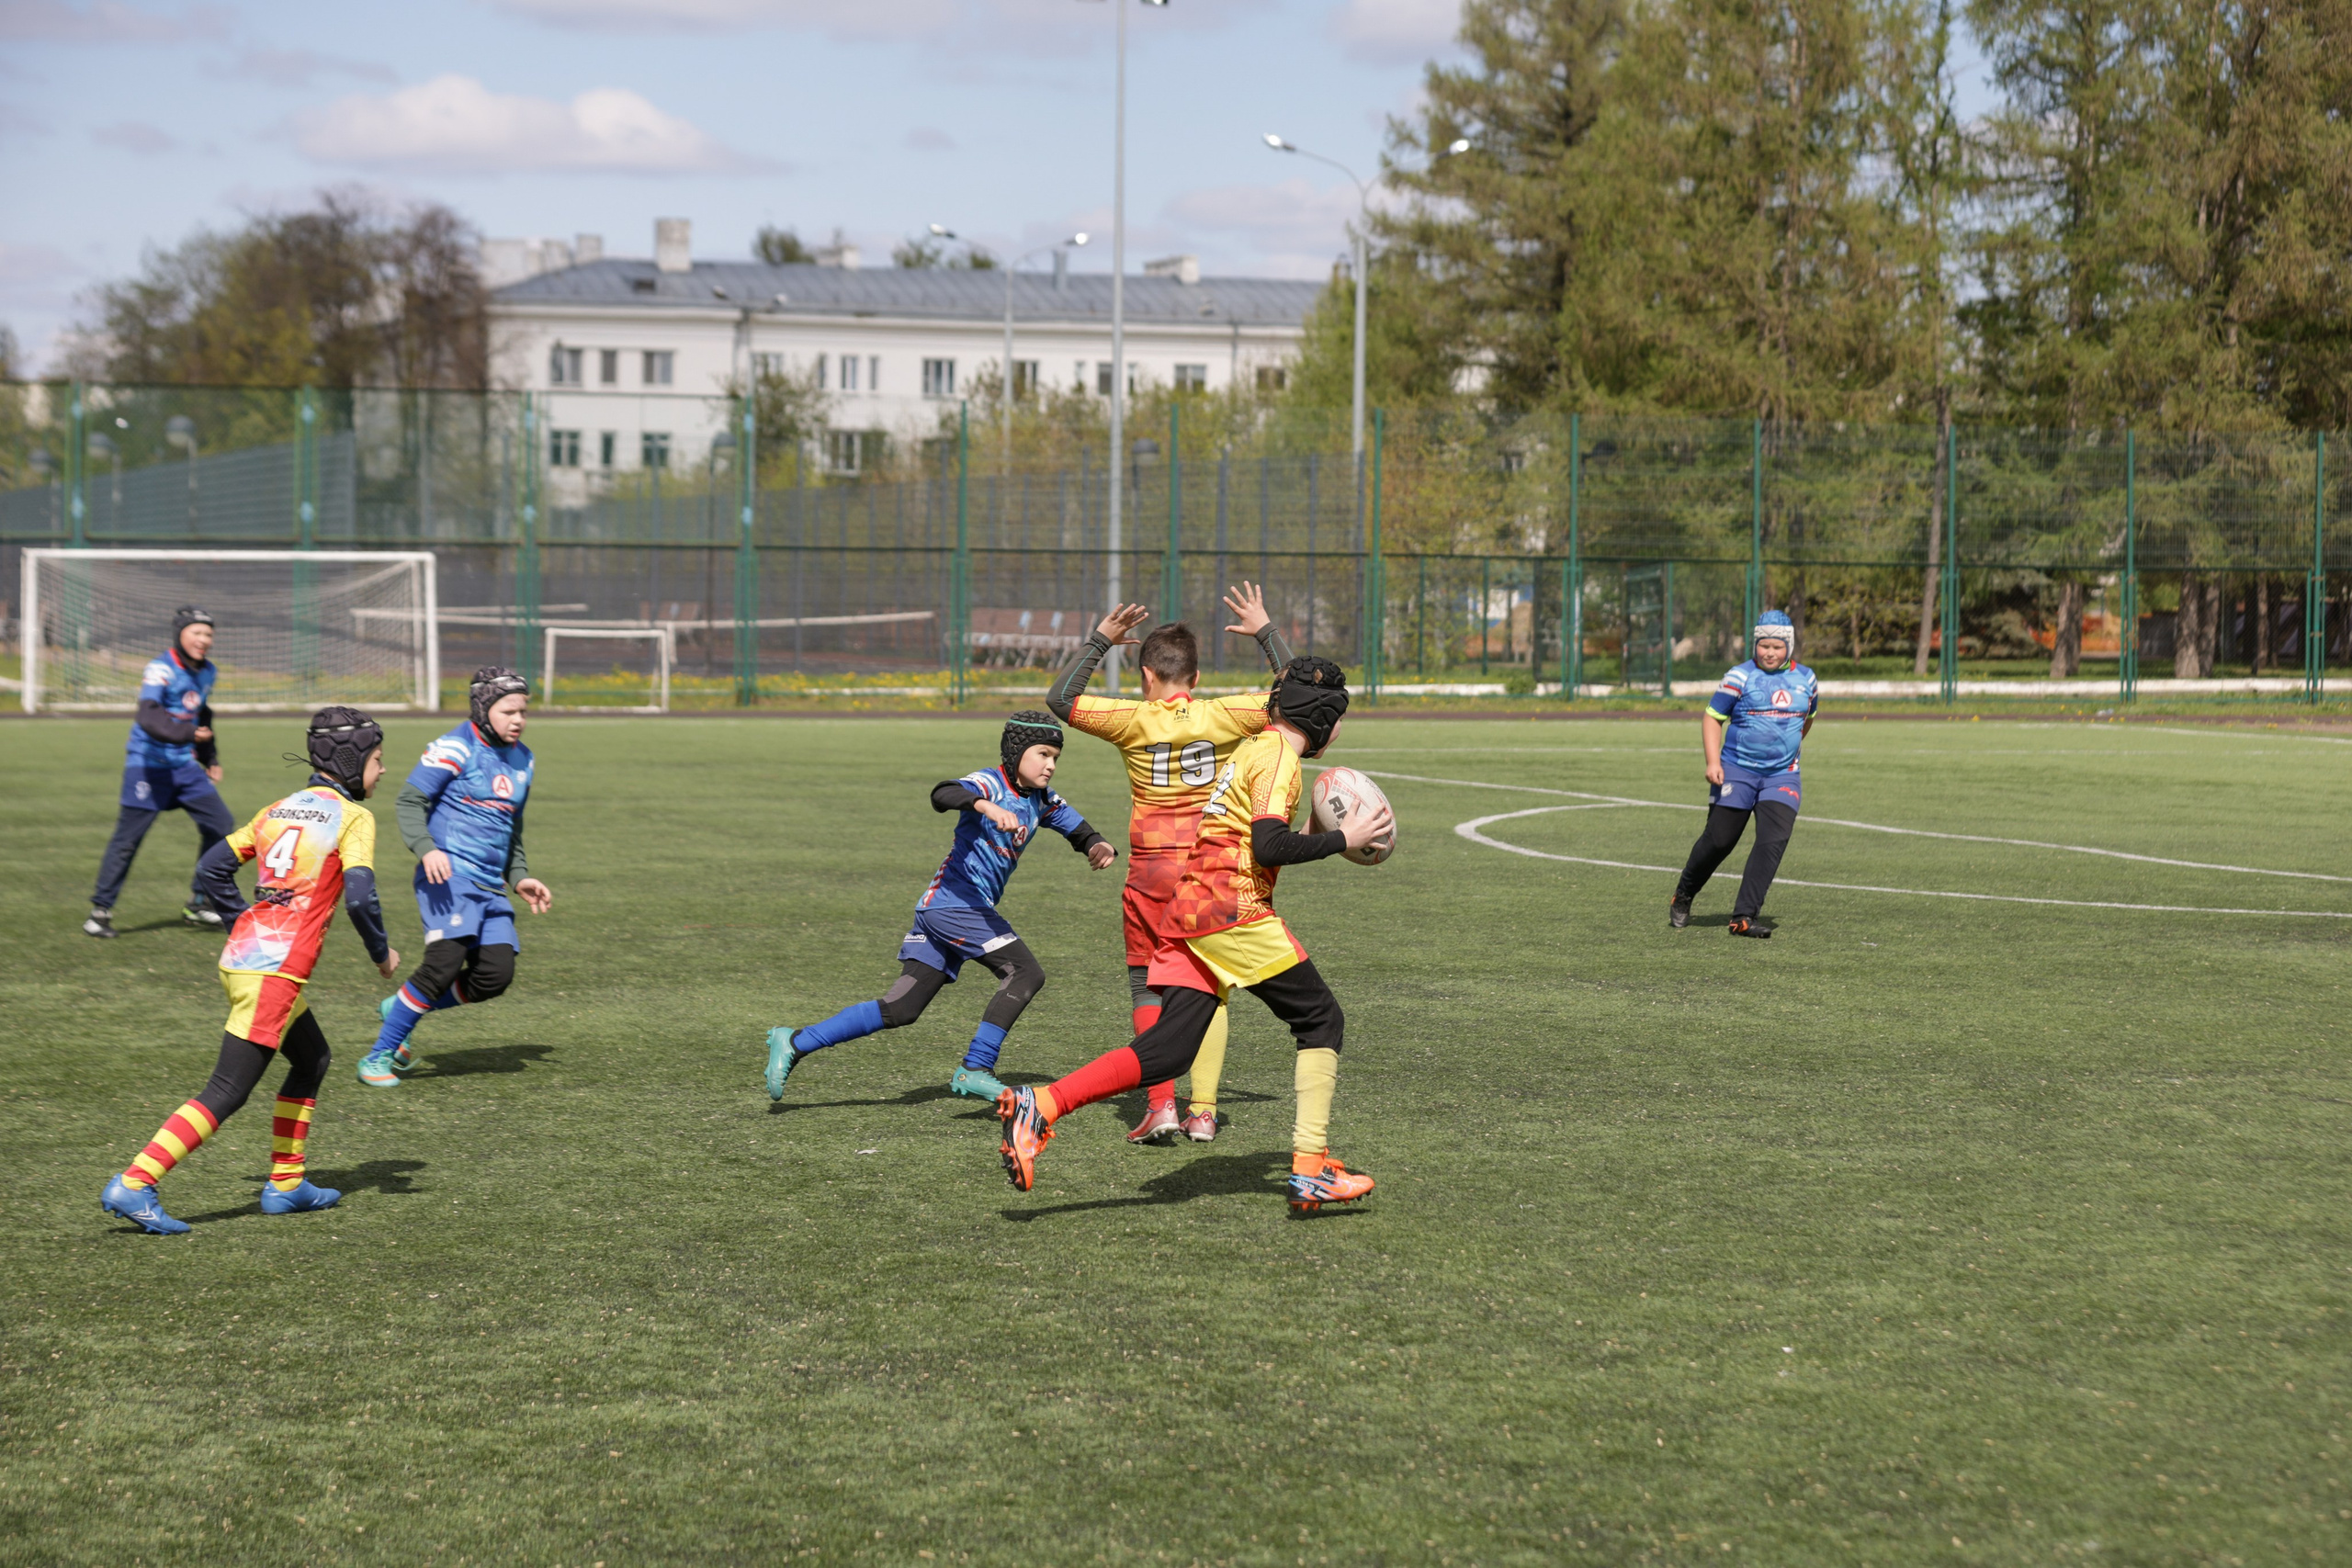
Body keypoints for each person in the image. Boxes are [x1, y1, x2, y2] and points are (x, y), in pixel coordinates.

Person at [996, 657, 1393, 1213]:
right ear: (1323, 718)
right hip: (1233, 910)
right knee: (1321, 1020)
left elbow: (1253, 838)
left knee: (1168, 1051)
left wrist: (1316, 831)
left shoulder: (1255, 747)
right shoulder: (1279, 758)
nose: (1341, 729)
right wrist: (1342, 839)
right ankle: (1311, 1169)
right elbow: (1268, 846)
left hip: (1190, 909)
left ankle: (1042, 1104)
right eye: (1341, 719)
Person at [99, 707, 401, 1235]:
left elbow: (212, 867)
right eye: (378, 759)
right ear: (352, 762)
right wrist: (382, 953)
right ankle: (135, 1181)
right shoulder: (353, 818)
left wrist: (244, 922)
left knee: (312, 1057)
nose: (382, 770)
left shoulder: (277, 810)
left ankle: (287, 1184)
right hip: (274, 973)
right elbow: (360, 896)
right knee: (227, 1089)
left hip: (247, 961)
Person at [1046, 584, 1294, 1145]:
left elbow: (1061, 699)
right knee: (1211, 985)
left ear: (1145, 676)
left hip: (1151, 875)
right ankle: (1202, 1112)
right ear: (1196, 677)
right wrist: (1265, 631)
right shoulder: (1225, 714)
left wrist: (1100, 639)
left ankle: (1160, 1106)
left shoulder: (1131, 720)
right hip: (1213, 871)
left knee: (1147, 986)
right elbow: (1298, 694)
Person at [763, 712, 1118, 1103]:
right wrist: (984, 806)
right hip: (955, 906)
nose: (1050, 765)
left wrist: (1097, 844)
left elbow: (1078, 828)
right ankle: (976, 1068)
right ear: (1016, 752)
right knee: (1025, 972)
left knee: (902, 1008)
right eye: (1043, 754)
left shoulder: (1043, 799)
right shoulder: (990, 783)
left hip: (944, 911)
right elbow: (943, 793)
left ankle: (795, 1041)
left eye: (1056, 758)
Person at [356, 668, 552, 1087]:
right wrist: (427, 849)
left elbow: (511, 826)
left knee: (494, 976)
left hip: (490, 884)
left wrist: (519, 876)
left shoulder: (525, 759)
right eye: (508, 711)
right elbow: (410, 801)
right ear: (483, 709)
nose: (518, 719)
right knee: (442, 966)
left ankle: (400, 1007)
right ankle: (378, 1056)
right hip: (449, 876)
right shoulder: (454, 746)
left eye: (523, 711)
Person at [85, 605, 234, 938]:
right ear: (180, 634)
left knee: (221, 825)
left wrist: (209, 757)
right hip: (147, 767)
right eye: (196, 632)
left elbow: (202, 713)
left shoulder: (208, 671)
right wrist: (188, 734)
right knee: (128, 840)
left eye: (208, 634)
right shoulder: (160, 668)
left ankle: (199, 902)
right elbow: (148, 715)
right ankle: (99, 913)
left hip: (184, 767)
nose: (204, 639)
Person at [1668, 609, 1818, 938]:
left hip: (1782, 775)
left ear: (1789, 646)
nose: (1769, 652)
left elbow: (1806, 720)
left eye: (1777, 647)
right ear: (1755, 644)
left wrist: (1786, 751)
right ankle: (1684, 893)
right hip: (1737, 770)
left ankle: (1744, 917)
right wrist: (1713, 762)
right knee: (1720, 841)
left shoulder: (1806, 679)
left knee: (1772, 840)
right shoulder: (1739, 676)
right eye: (1764, 645)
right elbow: (1712, 717)